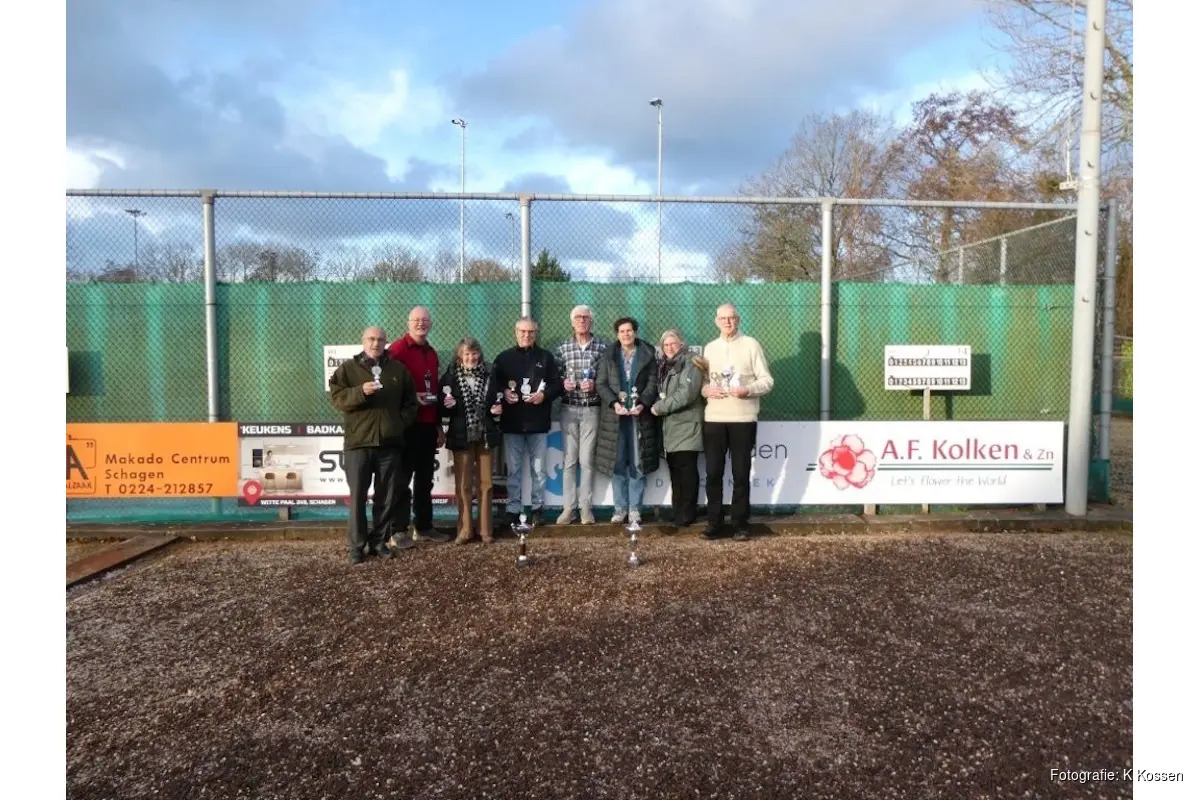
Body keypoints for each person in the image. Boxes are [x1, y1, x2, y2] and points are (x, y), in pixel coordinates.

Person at [328, 326, 419, 563]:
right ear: (363, 340)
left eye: (380, 339)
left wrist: (398, 424)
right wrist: (360, 392)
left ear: (385, 342)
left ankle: (379, 542)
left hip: (390, 445)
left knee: (386, 497)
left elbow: (411, 403)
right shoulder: (348, 369)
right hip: (358, 444)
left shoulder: (398, 370)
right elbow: (337, 398)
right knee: (358, 497)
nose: (375, 343)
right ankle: (357, 546)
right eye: (371, 339)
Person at [700, 303, 774, 541]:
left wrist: (748, 390)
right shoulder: (710, 348)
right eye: (723, 318)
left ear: (738, 320)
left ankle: (740, 523)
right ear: (716, 321)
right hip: (714, 419)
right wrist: (705, 390)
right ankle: (714, 522)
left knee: (741, 474)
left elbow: (767, 381)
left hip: (743, 419)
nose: (727, 322)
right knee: (713, 473)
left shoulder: (751, 345)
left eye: (731, 318)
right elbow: (703, 382)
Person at [487, 316, 562, 527]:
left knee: (539, 470)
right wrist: (504, 392)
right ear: (516, 332)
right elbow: (493, 387)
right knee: (514, 471)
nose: (526, 335)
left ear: (536, 334)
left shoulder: (546, 357)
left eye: (530, 332)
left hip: (538, 424)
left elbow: (557, 385)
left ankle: (538, 509)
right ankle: (513, 509)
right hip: (512, 423)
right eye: (523, 332)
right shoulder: (503, 358)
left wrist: (544, 395)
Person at [386, 305, 452, 544]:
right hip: (406, 425)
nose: (421, 323)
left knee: (425, 480)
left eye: (425, 320)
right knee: (402, 480)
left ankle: (424, 527)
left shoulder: (431, 353)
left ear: (430, 324)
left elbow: (433, 390)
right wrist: (412, 397)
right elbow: (387, 384)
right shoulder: (397, 349)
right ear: (408, 323)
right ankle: (398, 529)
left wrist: (437, 425)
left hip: (427, 425)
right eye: (416, 320)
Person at [595, 317, 660, 527]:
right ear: (617, 334)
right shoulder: (608, 354)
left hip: (639, 417)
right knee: (618, 462)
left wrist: (642, 404)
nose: (626, 334)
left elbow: (652, 384)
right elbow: (601, 384)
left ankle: (635, 509)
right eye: (622, 331)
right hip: (615, 418)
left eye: (629, 330)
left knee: (638, 462)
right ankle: (620, 508)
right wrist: (614, 403)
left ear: (635, 332)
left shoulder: (648, 354)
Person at [439, 337, 503, 545]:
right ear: (460, 356)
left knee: (486, 484)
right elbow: (441, 407)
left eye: (474, 353)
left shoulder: (490, 375)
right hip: (461, 436)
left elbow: (497, 401)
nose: (471, 357)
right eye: (466, 354)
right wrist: (446, 405)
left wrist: (497, 410)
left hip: (485, 436)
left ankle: (485, 530)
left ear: (479, 355)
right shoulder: (449, 378)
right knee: (463, 484)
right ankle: (465, 529)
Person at [553, 304, 608, 525]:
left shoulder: (603, 347)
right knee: (569, 461)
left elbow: (607, 377)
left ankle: (586, 508)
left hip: (592, 408)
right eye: (578, 317)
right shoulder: (562, 348)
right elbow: (554, 376)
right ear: (572, 322)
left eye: (585, 317)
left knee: (586, 461)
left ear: (591, 321)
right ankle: (568, 509)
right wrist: (562, 384)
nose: (582, 320)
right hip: (568, 408)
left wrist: (595, 385)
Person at [651, 329, 705, 531]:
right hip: (671, 427)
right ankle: (678, 510)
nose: (669, 348)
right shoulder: (664, 366)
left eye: (673, 343)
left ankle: (687, 513)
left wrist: (660, 407)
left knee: (686, 469)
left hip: (687, 425)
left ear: (681, 344)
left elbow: (687, 394)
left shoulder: (690, 362)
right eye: (665, 345)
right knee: (675, 470)